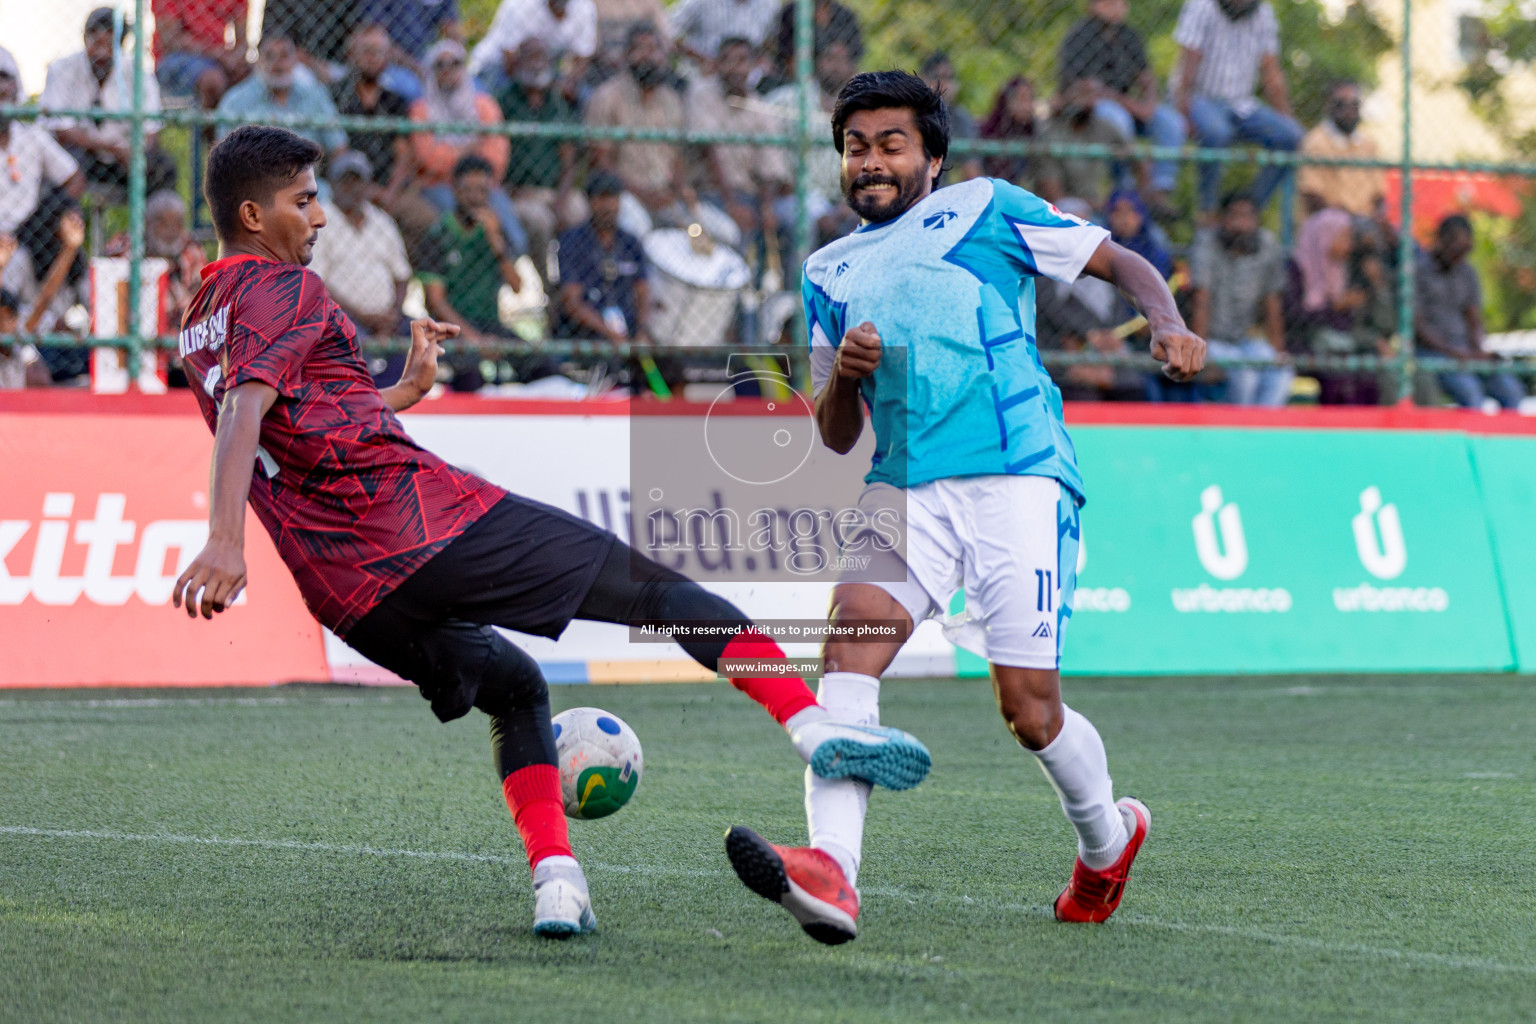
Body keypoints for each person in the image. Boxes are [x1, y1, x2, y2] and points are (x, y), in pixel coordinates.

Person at [170, 124, 930, 937]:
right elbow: (248, 410)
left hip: (349, 593)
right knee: (660, 592)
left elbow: (290, 421)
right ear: (252, 215)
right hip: (421, 524)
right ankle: (815, 731)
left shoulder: (200, 319)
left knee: (518, 689)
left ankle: (558, 885)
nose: (317, 218)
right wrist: (224, 539)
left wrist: (397, 394)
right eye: (302, 201)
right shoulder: (284, 289)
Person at [726, 70, 1205, 943]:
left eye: (890, 143)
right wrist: (850, 381)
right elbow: (835, 432)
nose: (869, 160)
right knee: (849, 645)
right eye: (854, 146)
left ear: (933, 158)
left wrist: (1164, 318)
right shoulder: (826, 269)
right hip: (902, 486)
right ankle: (833, 870)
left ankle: (1107, 841)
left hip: (1017, 471)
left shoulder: (988, 207)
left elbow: (1120, 259)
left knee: (1029, 711)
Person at [1173, 0, 1303, 214]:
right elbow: (1188, 65)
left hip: (1243, 104)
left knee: (1291, 136)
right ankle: (1208, 209)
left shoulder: (1263, 13)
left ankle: (1248, 211)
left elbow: (1271, 71)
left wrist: (1286, 117)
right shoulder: (1201, 6)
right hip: (1203, 98)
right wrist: (1183, 112)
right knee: (1216, 132)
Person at [1057, 0, 1186, 214]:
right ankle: (1125, 189)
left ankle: (1159, 191)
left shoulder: (1128, 36)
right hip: (1095, 108)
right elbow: (1087, 90)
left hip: (1129, 104)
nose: (1118, 7)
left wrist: (1149, 104)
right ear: (1094, 6)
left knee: (1171, 122)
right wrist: (1133, 105)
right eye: (1110, 3)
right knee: (1117, 119)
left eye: (1121, 3)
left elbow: (1146, 77)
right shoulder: (1078, 37)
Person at [42, 8, 177, 196]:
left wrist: (136, 152)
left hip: (125, 156)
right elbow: (61, 130)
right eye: (95, 43)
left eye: (108, 46)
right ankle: (66, 223)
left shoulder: (137, 72)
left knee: (163, 167)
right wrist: (109, 148)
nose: (101, 54)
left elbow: (151, 130)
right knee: (61, 164)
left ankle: (152, 223)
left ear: (120, 45)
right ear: (85, 39)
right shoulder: (63, 69)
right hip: (84, 153)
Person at [409, 39, 524, 260]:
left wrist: (452, 153)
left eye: (454, 63)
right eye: (440, 65)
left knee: (516, 240)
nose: (447, 70)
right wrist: (471, 148)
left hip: (485, 185)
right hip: (440, 186)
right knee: (463, 238)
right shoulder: (421, 109)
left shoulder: (484, 105)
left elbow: (496, 158)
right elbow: (430, 159)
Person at [1188, 190, 1291, 405]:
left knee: (1281, 373)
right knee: (1245, 376)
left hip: (1245, 339)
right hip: (1213, 340)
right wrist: (1201, 355)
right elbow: (1201, 300)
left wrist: (1278, 351)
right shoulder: (1207, 243)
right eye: (1234, 216)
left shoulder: (1266, 244)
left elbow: (1272, 300)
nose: (1240, 224)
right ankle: (1238, 433)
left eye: (1247, 217)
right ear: (1222, 219)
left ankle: (1263, 431)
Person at [1416, 214, 1528, 410]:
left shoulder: (1467, 272)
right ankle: (1470, 440)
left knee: (1511, 390)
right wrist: (1453, 352)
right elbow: (1418, 326)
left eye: (1466, 249)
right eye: (1457, 248)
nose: (1461, 255)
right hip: (1433, 352)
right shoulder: (1418, 271)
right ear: (1442, 241)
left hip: (1465, 350)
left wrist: (1478, 350)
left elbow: (1473, 317)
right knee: (1470, 392)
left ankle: (1502, 440)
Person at [1281, 208, 1388, 405]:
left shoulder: (1342, 269)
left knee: (1369, 371)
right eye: (1344, 237)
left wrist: (1375, 284)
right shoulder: (1296, 269)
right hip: (1304, 343)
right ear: (1324, 236)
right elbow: (1293, 318)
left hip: (1339, 343)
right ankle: (1335, 430)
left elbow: (1356, 321)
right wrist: (1334, 307)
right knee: (1338, 375)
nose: (1349, 245)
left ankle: (1367, 429)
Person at [687, 36, 791, 237]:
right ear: (717, 64)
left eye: (742, 61)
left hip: (751, 195)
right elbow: (708, 151)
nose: (735, 68)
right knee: (732, 231)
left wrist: (766, 209)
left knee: (784, 222)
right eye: (727, 60)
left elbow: (771, 169)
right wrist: (732, 205)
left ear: (753, 66)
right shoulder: (702, 94)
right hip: (710, 194)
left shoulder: (760, 108)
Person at [494, 38, 584, 266]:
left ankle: (571, 281)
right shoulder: (504, 100)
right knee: (539, 221)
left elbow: (569, 159)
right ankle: (549, 287)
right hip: (517, 192)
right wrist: (506, 190)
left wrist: (561, 199)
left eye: (541, 57)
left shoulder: (556, 101)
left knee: (578, 211)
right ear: (518, 62)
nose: (536, 64)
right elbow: (491, 153)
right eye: (530, 57)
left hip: (553, 190)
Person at [308, 152, 412, 343]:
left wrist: (393, 315)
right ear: (332, 185)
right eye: (346, 182)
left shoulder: (381, 220)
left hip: (389, 318)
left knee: (425, 337)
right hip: (341, 316)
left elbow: (402, 276)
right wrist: (363, 317)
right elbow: (317, 285)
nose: (352, 188)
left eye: (358, 181)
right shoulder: (319, 223)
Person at [585, 24, 686, 216]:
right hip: (622, 195)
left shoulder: (671, 99)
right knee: (644, 233)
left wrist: (679, 194)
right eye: (641, 49)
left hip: (665, 196)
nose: (648, 57)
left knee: (720, 232)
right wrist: (642, 195)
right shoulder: (608, 96)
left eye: (654, 49)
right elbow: (601, 161)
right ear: (627, 55)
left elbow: (676, 159)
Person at [216, 31, 348, 157]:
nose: (277, 64)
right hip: (255, 177)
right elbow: (224, 155)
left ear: (295, 60)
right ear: (259, 61)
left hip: (306, 177)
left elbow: (338, 146)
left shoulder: (315, 95)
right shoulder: (235, 100)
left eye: (284, 56)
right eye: (270, 56)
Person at [554, 171, 648, 344]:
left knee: (662, 365)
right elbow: (572, 302)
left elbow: (642, 291)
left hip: (628, 329)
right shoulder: (572, 242)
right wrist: (610, 333)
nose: (608, 206)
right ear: (589, 202)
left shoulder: (630, 242)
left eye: (613, 198)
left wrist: (641, 330)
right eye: (601, 199)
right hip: (587, 332)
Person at [333, 24, 415, 209]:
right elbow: (336, 149)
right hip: (345, 187)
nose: (372, 58)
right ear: (351, 55)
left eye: (379, 52)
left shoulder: (395, 101)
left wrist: (389, 193)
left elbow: (404, 154)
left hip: (390, 189)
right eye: (366, 51)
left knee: (427, 220)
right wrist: (365, 190)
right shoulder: (338, 96)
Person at [1034, 79, 1130, 211]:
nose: (1086, 101)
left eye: (1091, 95)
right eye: (1080, 94)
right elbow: (1054, 194)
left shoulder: (1101, 126)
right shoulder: (1052, 133)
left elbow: (1133, 152)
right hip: (1064, 206)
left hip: (1100, 204)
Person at [1297, 80, 1385, 218]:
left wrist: (1377, 219)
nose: (1348, 111)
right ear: (1329, 106)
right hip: (1329, 219)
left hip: (1366, 219)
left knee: (1403, 237)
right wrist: (1351, 221)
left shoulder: (1369, 144)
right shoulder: (1315, 143)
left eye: (1353, 105)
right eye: (1341, 104)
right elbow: (1312, 197)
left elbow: (1379, 195)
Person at [468, 0, 599, 88]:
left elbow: (584, 55)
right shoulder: (520, 4)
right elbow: (509, 57)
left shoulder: (584, 7)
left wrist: (569, 82)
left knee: (582, 95)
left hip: (546, 71)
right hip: (497, 67)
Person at [151, 0, 247, 109]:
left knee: (250, 76)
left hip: (218, 57)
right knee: (213, 80)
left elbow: (242, 39)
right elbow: (171, 39)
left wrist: (236, 59)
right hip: (177, 56)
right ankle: (205, 124)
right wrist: (220, 55)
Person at [920, 54, 981, 182]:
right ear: (922, 79)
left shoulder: (959, 118)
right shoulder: (911, 114)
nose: (944, 83)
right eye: (938, 77)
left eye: (949, 78)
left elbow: (972, 172)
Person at [670, 0, 779, 67]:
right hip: (704, 73)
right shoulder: (700, 2)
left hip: (751, 75)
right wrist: (701, 59)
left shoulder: (769, 3)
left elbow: (771, 40)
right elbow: (669, 30)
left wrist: (761, 61)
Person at [978, 76, 1037, 184]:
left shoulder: (1034, 130)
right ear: (1007, 101)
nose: (1028, 106)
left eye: (1030, 99)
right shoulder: (987, 131)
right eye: (1022, 99)